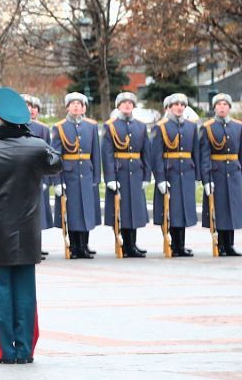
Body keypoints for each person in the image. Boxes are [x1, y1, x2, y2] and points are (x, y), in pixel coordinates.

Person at [0, 86, 63, 365]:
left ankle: (5, 350)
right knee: (26, 292)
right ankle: (26, 350)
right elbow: (56, 163)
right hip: (28, 231)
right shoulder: (35, 146)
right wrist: (29, 135)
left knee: (2, 293)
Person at [146, 93, 200, 257]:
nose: (180, 107)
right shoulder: (160, 127)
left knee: (183, 210)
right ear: (169, 108)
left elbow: (195, 152)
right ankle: (173, 244)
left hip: (187, 174)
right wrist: (160, 179)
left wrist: (197, 176)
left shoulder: (191, 127)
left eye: (183, 105)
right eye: (176, 104)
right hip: (170, 174)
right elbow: (156, 155)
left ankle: (181, 244)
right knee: (172, 211)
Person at [51, 92, 101, 259]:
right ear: (67, 107)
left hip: (86, 173)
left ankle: (84, 245)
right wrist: (57, 180)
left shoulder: (91, 126)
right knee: (72, 212)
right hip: (69, 175)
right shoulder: (60, 127)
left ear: (84, 107)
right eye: (72, 103)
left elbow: (96, 153)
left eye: (79, 104)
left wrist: (96, 177)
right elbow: (56, 156)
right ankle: (74, 246)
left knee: (86, 210)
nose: (76, 106)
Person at [102, 91, 149, 258]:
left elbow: (146, 153)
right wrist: (110, 178)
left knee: (134, 210)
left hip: (136, 172)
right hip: (119, 172)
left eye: (130, 103)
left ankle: (132, 244)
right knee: (121, 210)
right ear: (118, 106)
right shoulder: (111, 126)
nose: (127, 105)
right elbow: (106, 153)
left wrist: (146, 176)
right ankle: (124, 244)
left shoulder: (141, 126)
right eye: (124, 103)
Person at [199, 92, 242, 256]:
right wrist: (206, 179)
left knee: (232, 209)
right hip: (216, 173)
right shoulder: (208, 127)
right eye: (219, 105)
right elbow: (204, 156)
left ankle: (230, 244)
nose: (222, 107)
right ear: (214, 108)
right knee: (219, 210)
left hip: (233, 173)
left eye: (225, 104)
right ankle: (220, 245)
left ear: (230, 107)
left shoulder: (238, 126)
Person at [24, 96, 57, 256]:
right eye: (26, 106)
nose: (29, 109)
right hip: (17, 176)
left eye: (31, 106)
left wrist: (47, 179)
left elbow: (48, 156)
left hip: (37, 176)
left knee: (37, 213)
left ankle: (36, 245)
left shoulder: (42, 129)